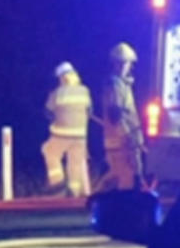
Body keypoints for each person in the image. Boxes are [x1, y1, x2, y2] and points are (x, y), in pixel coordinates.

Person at [42, 61, 92, 197]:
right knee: (75, 163)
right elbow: (89, 111)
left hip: (61, 133)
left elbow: (48, 112)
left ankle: (57, 182)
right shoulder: (85, 91)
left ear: (61, 78)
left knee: (49, 151)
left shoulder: (57, 93)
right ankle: (73, 192)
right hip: (81, 135)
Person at [99, 42, 144, 190]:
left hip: (122, 141)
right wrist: (130, 138)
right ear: (117, 64)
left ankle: (97, 197)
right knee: (126, 180)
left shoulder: (122, 85)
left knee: (117, 176)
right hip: (122, 142)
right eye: (126, 63)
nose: (128, 67)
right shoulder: (116, 85)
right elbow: (116, 115)